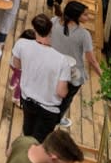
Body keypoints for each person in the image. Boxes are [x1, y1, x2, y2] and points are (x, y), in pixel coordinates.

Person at [11, 13, 71, 144]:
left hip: (27, 100)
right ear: (51, 31)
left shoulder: (22, 44)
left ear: (34, 29)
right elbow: (61, 92)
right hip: (48, 109)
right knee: (38, 144)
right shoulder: (62, 61)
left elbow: (16, 65)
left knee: (27, 135)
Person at [50, 1, 101, 127]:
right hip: (73, 73)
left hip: (54, 66)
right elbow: (91, 60)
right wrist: (101, 74)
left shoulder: (54, 22)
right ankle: (57, 119)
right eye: (85, 15)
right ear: (75, 15)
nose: (88, 17)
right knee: (66, 99)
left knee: (51, 92)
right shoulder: (84, 35)